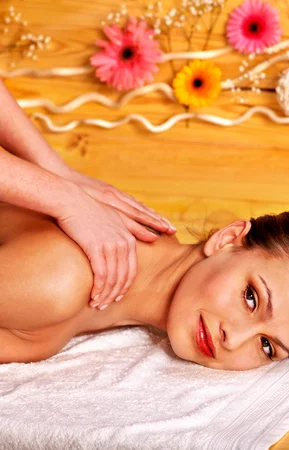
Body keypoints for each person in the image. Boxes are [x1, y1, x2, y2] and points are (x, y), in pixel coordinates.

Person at [0, 205, 289, 370]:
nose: (233, 339)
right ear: (226, 239)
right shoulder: (61, 280)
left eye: (267, 346)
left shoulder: (133, 259)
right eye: (251, 298)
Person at [0, 81, 177, 310]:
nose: (233, 339)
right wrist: (64, 197)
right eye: (242, 296)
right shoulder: (58, 278)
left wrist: (57, 172)